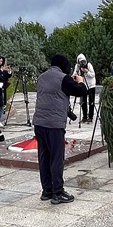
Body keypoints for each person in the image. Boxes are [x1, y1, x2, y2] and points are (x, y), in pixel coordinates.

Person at [34, 54, 88, 204]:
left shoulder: (42, 77)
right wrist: (81, 81)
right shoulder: (63, 78)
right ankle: (58, 192)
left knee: (44, 157)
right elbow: (80, 91)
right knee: (56, 158)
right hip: (54, 124)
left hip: (39, 123)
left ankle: (47, 191)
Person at [75, 54, 97, 123]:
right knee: (83, 101)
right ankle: (84, 117)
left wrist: (86, 71)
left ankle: (90, 117)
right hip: (83, 85)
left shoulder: (89, 65)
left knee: (91, 101)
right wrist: (77, 72)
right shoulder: (77, 66)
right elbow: (75, 74)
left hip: (91, 85)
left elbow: (93, 75)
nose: (82, 64)